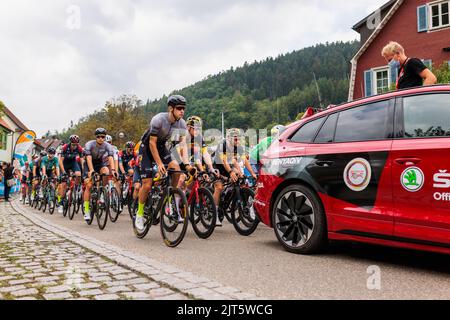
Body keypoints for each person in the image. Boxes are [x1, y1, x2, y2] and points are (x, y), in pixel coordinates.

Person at [135, 95, 196, 231]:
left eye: (183, 109)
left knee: (175, 167)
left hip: (161, 147)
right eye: (179, 108)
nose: (182, 111)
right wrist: (159, 163)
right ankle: (139, 214)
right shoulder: (158, 119)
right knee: (147, 183)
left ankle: (171, 196)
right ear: (171, 108)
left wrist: (186, 165)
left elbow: (182, 145)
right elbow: (152, 143)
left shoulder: (181, 124)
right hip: (146, 148)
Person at [83, 128, 117, 221]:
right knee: (89, 185)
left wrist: (113, 170)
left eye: (103, 137)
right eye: (99, 137)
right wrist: (91, 171)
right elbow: (88, 158)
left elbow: (110, 158)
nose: (101, 138)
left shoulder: (108, 146)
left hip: (99, 163)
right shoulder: (89, 144)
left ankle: (101, 191)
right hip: (89, 164)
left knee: (106, 171)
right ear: (96, 137)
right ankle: (86, 210)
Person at [57, 135, 84, 214]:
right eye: (73, 144)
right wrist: (64, 172)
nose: (74, 146)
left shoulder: (79, 148)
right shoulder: (65, 147)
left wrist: (83, 170)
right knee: (64, 184)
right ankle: (61, 203)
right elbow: (60, 161)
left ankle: (76, 189)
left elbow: (82, 161)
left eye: (76, 144)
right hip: (64, 164)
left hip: (72, 162)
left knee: (78, 174)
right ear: (70, 143)